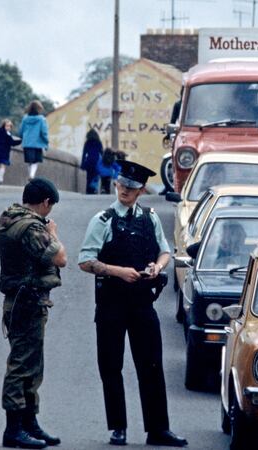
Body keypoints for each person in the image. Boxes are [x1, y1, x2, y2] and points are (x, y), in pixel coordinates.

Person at [78, 160, 188, 448]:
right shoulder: (102, 220)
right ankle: (118, 428)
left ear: (140, 192)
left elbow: (166, 251)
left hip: (142, 303)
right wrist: (117, 271)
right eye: (122, 185)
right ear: (116, 184)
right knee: (111, 365)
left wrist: (156, 267)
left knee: (151, 365)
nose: (125, 190)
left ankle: (158, 429)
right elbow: (85, 261)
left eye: (132, 188)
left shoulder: (149, 218)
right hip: (111, 303)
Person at [0, 178, 67, 449]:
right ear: (46, 202)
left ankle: (29, 423)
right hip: (27, 301)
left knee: (31, 364)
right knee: (22, 365)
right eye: (51, 206)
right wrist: (54, 234)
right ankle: (14, 429)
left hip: (22, 301)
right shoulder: (30, 228)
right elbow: (60, 258)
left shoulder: (10, 218)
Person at [18, 100, 50, 180]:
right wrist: (46, 141)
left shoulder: (25, 119)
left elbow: (21, 131)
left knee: (29, 161)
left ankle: (30, 176)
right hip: (37, 144)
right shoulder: (41, 119)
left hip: (27, 143)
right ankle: (32, 175)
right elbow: (44, 132)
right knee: (35, 161)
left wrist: (23, 138)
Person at [0, 119, 23, 185]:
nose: (9, 127)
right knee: (3, 165)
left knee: (2, 165)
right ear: (3, 126)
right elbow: (12, 142)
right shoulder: (6, 134)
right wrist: (21, 141)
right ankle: (0, 179)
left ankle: (0, 179)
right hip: (3, 151)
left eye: (10, 126)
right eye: (7, 126)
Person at [81, 129, 104, 194]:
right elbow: (102, 153)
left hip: (89, 161)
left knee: (88, 177)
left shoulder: (87, 142)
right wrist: (103, 164)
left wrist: (82, 164)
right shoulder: (98, 142)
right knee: (95, 177)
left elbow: (84, 154)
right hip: (96, 162)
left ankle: (88, 190)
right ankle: (94, 189)